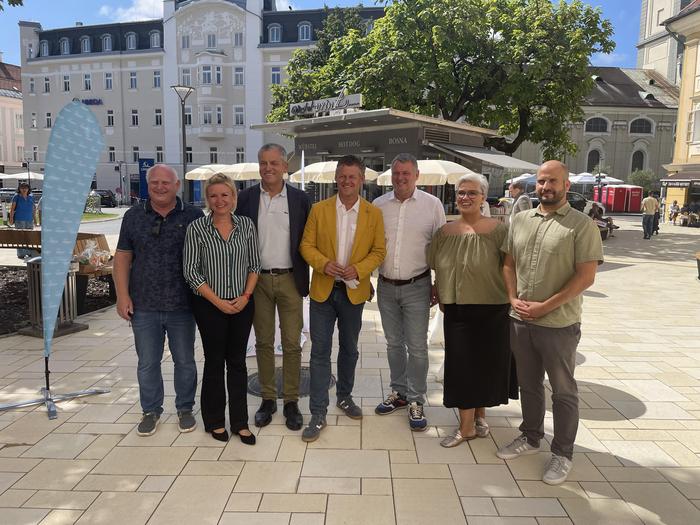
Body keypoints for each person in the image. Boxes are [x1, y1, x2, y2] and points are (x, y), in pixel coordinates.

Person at [498, 160, 603, 486]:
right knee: (528, 385)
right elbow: (508, 264)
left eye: (553, 181)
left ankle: (562, 453)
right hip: (520, 320)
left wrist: (546, 306)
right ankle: (530, 437)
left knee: (563, 391)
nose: (546, 187)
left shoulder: (581, 225)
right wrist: (513, 297)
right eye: (542, 181)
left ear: (566, 185)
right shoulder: (520, 221)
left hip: (558, 324)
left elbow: (586, 276)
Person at [299, 155, 386, 442]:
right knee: (319, 351)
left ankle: (345, 397)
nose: (347, 181)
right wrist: (323, 263)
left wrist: (359, 269)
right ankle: (318, 411)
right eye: (342, 176)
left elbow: (378, 251)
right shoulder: (319, 210)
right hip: (323, 292)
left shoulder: (373, 214)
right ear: (336, 178)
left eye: (352, 176)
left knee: (349, 349)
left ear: (362, 179)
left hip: (353, 291)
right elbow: (306, 245)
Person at [113, 164, 203, 437]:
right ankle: (150, 410)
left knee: (185, 361)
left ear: (177, 186)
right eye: (155, 183)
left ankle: (185, 408)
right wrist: (122, 295)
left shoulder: (194, 216)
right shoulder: (133, 216)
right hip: (144, 305)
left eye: (166, 182)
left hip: (183, 305)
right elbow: (122, 258)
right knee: (147, 362)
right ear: (147, 186)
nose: (160, 187)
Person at [428, 173, 516, 447]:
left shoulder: (499, 230)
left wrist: (515, 299)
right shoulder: (444, 232)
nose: (465, 198)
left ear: (483, 197)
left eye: (472, 193)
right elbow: (435, 266)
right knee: (462, 366)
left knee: (486, 365)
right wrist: (440, 291)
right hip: (457, 309)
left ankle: (479, 417)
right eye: (461, 193)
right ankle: (466, 427)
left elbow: (510, 266)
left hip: (493, 308)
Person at [236, 144, 311, 431]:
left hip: (291, 279)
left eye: (274, 163)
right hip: (256, 281)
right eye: (264, 163)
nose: (269, 168)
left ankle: (291, 400)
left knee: (292, 343)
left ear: (284, 167)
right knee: (263, 342)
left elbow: (308, 239)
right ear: (259, 166)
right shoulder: (245, 198)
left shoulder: (300, 199)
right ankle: (268, 398)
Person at [183, 173, 260, 444]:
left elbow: (254, 265)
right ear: (207, 199)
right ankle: (214, 420)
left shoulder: (247, 226)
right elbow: (191, 271)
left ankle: (240, 422)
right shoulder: (197, 229)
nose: (220, 200)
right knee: (215, 362)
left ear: (234, 198)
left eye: (225, 195)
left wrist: (246, 296)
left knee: (238, 363)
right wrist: (217, 301)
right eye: (213, 195)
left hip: (242, 303)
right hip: (209, 307)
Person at [373, 153, 445, 431]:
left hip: (418, 285)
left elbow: (440, 248)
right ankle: (399, 393)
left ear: (416, 175)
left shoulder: (432, 205)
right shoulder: (379, 205)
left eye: (406, 173)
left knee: (417, 346)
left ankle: (416, 399)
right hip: (386, 286)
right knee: (393, 344)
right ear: (391, 176)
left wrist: (438, 283)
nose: (400, 178)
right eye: (396, 173)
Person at [8, 182, 38, 259]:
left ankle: (28, 252)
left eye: (26, 188)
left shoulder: (31, 197)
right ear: (19, 189)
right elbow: (12, 209)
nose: (24, 189)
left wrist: (35, 220)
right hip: (19, 220)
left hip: (29, 220)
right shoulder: (16, 197)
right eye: (22, 188)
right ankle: (21, 254)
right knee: (20, 237)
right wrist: (11, 219)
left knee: (29, 237)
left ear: (28, 189)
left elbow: (33, 209)